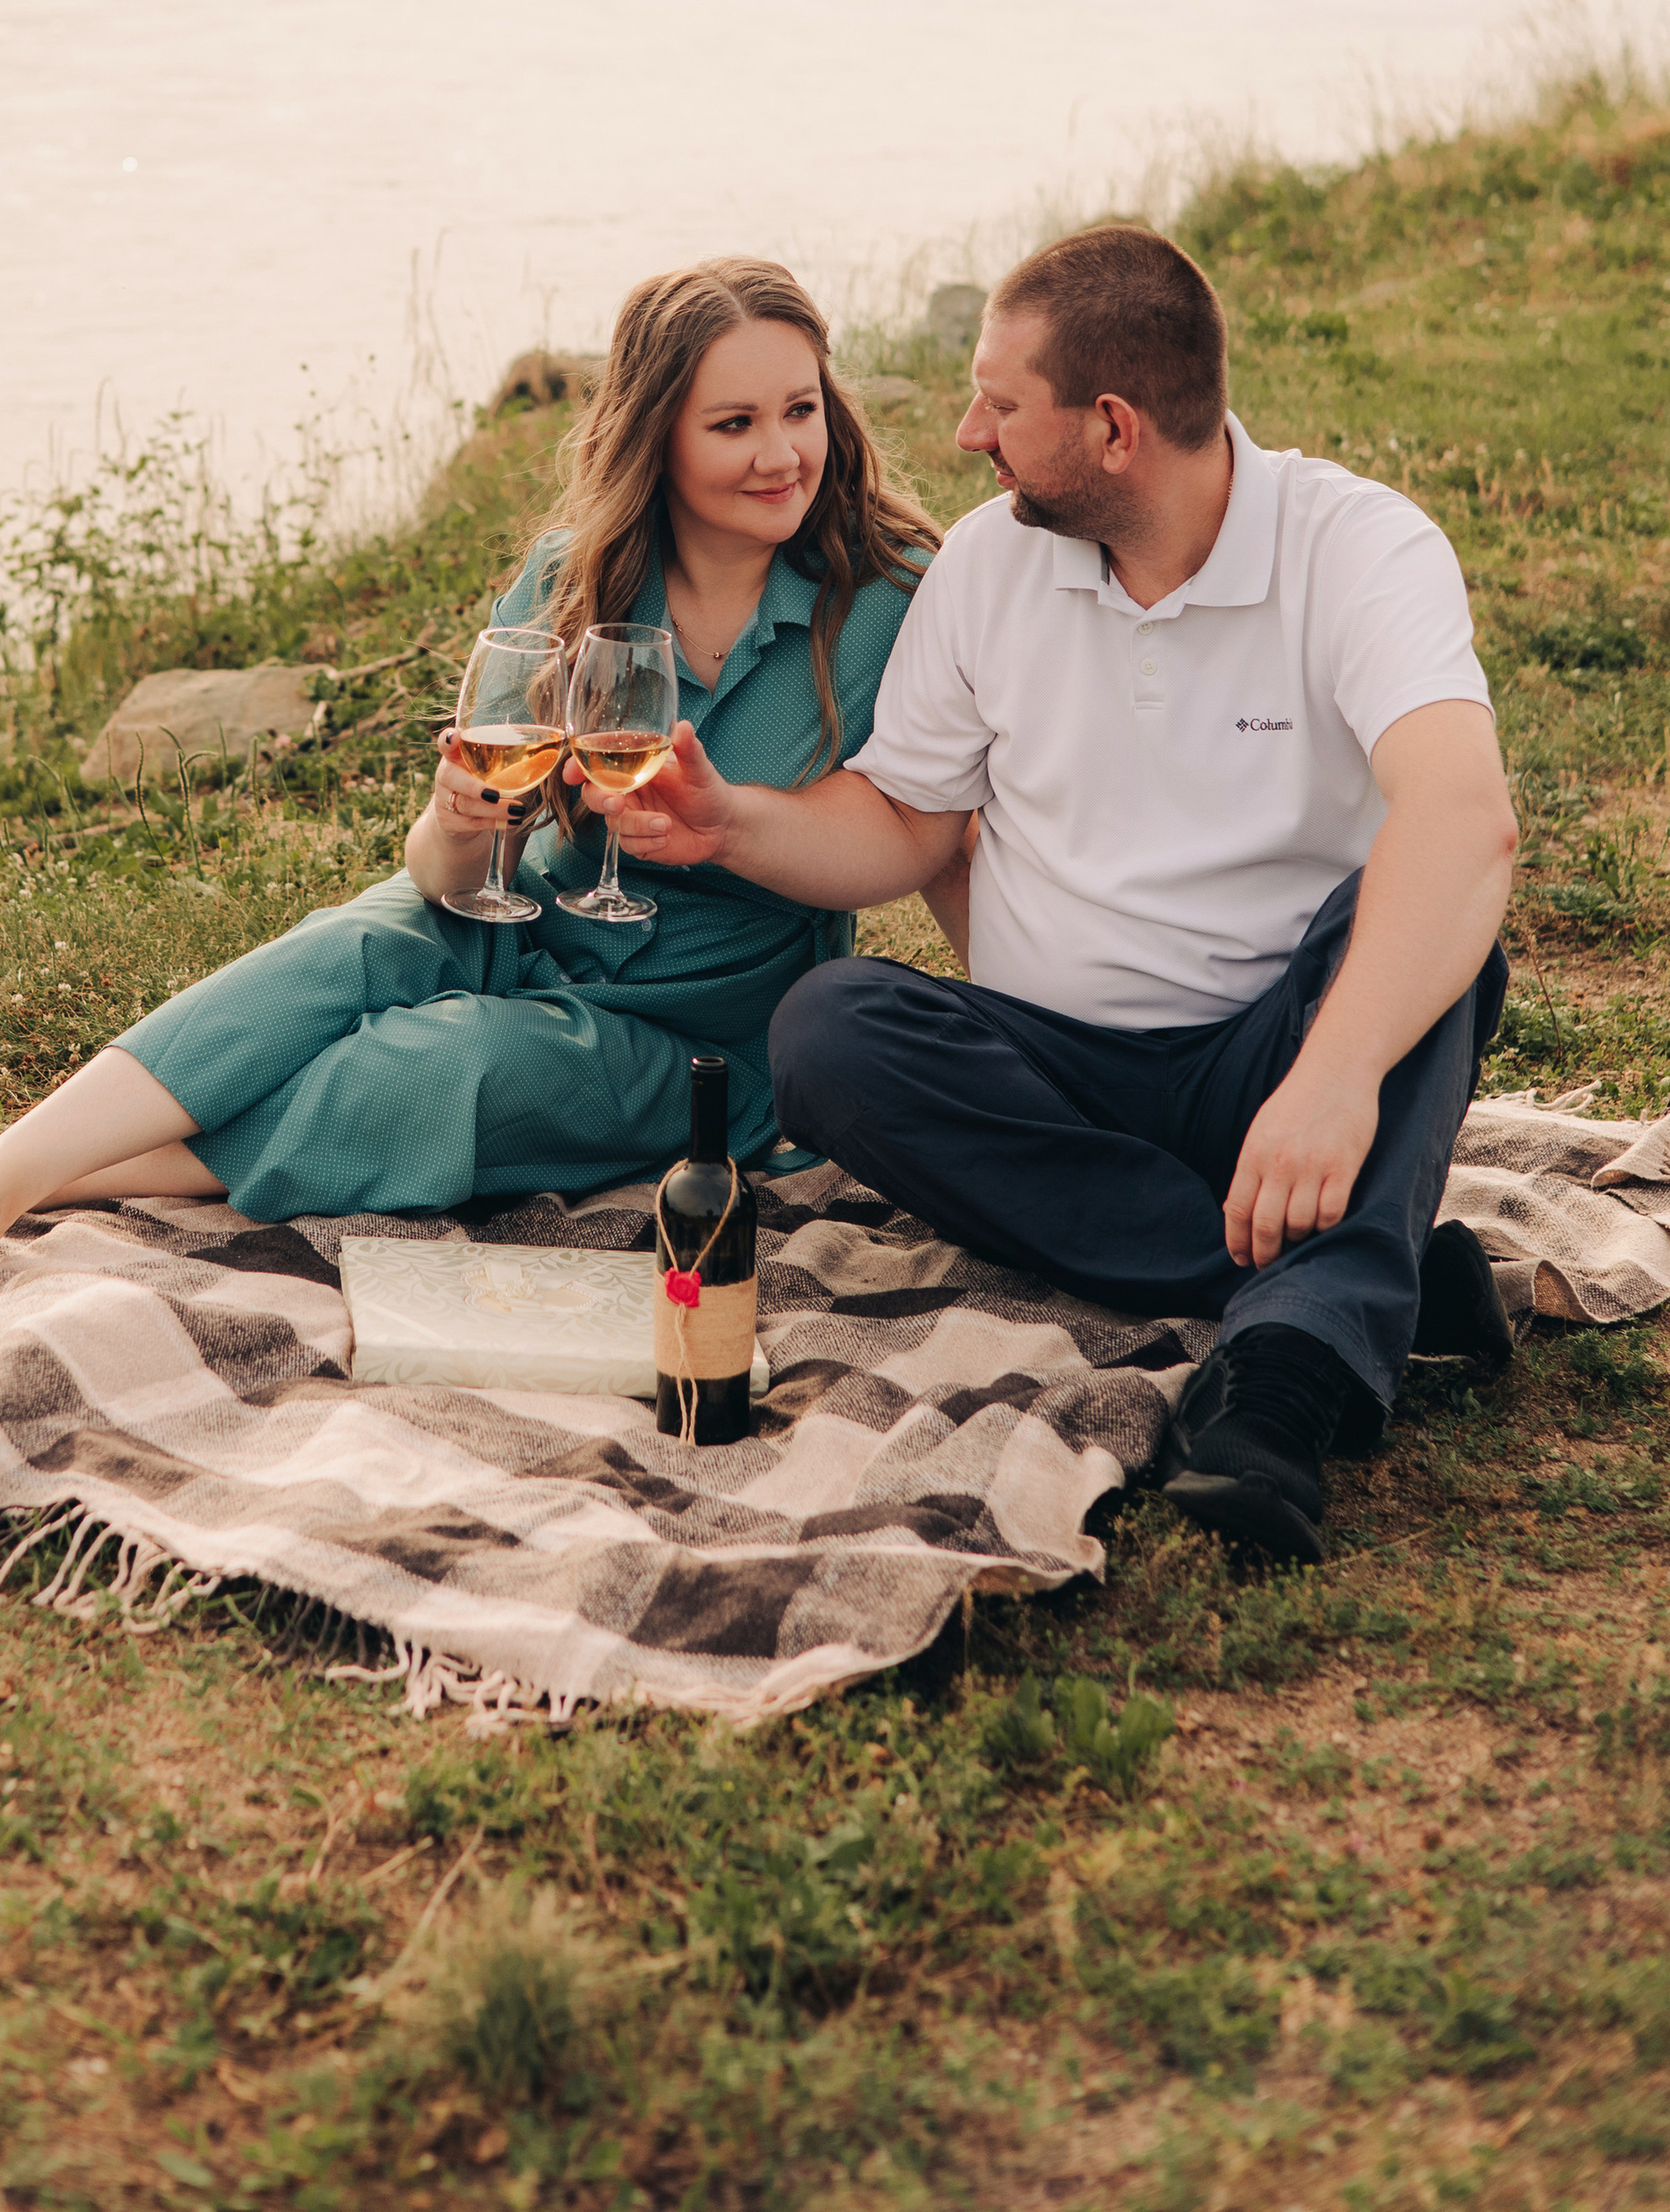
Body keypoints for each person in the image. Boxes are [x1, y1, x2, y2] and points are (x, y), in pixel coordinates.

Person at [606, 222, 1518, 1565]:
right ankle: (1351, 1274)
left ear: (1111, 429)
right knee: (829, 1028)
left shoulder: (1358, 548)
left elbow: (1464, 818)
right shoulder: (989, 565)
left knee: (1433, 935)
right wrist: (730, 823)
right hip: (1055, 1082)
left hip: (1285, 1054)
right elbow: (905, 823)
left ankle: (1284, 1379)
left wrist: (1331, 1082)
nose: (968, 431)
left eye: (1000, 403)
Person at [0, 257, 948, 1291]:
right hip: (526, 920)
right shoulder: (573, 577)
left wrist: (733, 822)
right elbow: (446, 871)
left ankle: (2, 1176)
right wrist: (458, 822)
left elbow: (914, 832)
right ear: (657, 434)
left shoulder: (892, 594)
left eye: (800, 409)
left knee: (437, 1061)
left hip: (699, 1036)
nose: (780, 454)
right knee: (339, 950)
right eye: (734, 423)